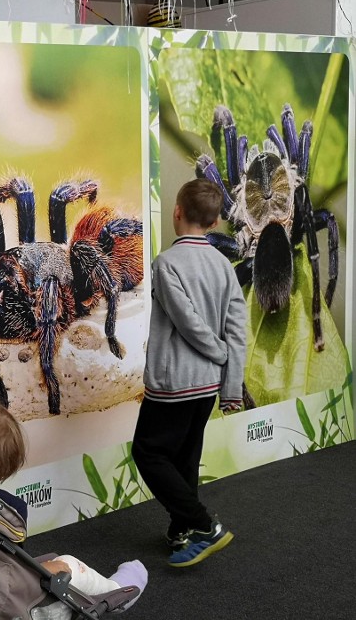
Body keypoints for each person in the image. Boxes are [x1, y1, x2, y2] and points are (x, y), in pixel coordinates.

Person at [131, 177, 247, 568]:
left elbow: (189, 323)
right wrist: (230, 386)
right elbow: (237, 330)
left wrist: (217, 351)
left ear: (177, 212)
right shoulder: (224, 265)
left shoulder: (166, 263)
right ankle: (183, 531)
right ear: (215, 224)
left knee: (147, 453)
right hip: (209, 386)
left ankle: (203, 524)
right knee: (184, 458)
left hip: (175, 385)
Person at [0, 401, 147, 603]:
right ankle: (116, 592)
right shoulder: (10, 510)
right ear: (12, 463)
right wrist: (45, 569)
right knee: (68, 565)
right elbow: (9, 570)